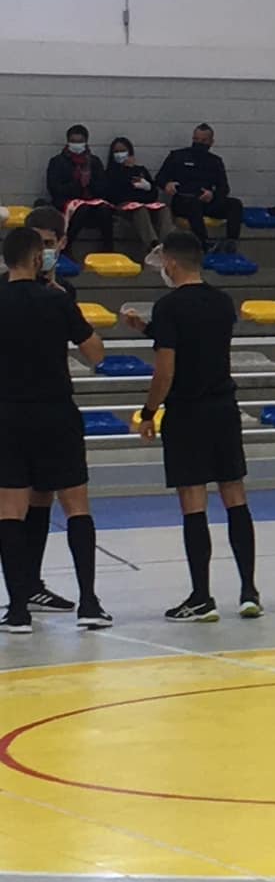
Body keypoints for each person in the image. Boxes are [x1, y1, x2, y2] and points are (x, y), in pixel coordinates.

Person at [128, 229, 259, 622]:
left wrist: (149, 411)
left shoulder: (168, 307)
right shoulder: (222, 302)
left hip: (187, 411)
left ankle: (202, 596)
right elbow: (200, 341)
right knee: (234, 494)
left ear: (170, 262)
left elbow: (166, 369)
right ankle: (249, 591)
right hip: (223, 407)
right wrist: (148, 329)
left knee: (193, 500)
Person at [0, 225, 109, 633]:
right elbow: (95, 353)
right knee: (76, 505)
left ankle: (18, 608)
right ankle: (89, 603)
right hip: (56, 412)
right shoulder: (57, 299)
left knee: (10, 509)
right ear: (36, 258)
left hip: (8, 413)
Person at [13, 206, 81, 615]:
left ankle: (30, 583)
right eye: (36, 244)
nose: (42, 253)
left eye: (49, 244)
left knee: (42, 496)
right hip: (10, 406)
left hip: (49, 405)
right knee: (11, 501)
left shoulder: (63, 293)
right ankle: (17, 588)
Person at [157, 124, 243, 251]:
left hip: (206, 200)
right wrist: (167, 184)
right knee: (193, 204)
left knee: (235, 204)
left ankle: (231, 242)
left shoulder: (215, 161)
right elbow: (159, 178)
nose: (199, 143)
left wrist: (212, 194)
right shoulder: (178, 156)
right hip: (184, 200)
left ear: (211, 142)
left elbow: (224, 188)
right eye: (196, 139)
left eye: (203, 141)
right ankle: (204, 243)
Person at [97, 137, 172, 264]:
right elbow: (114, 195)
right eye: (116, 151)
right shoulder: (110, 173)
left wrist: (148, 187)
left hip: (146, 204)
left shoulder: (140, 170)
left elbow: (153, 194)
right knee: (140, 210)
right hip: (124, 207)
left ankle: (168, 244)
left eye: (123, 151)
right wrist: (126, 171)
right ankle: (153, 245)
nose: (120, 154)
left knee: (164, 210)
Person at [44, 124, 113, 258]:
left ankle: (108, 248)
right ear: (67, 142)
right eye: (73, 141)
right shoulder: (57, 162)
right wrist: (78, 184)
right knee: (82, 208)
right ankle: (66, 246)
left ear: (86, 142)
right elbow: (54, 188)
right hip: (67, 202)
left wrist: (89, 182)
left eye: (80, 141)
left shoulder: (94, 162)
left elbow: (103, 188)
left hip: (91, 201)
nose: (76, 145)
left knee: (104, 209)